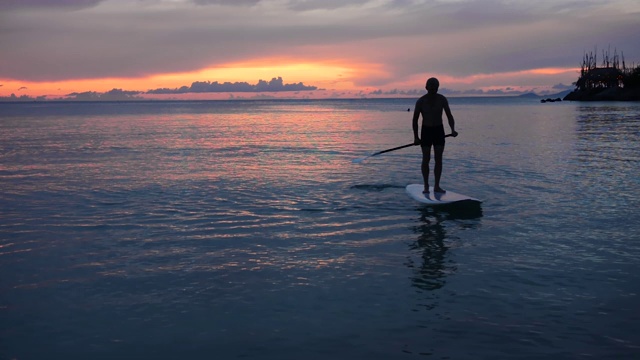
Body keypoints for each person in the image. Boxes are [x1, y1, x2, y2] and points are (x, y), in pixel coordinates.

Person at [412, 77, 458, 194]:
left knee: (438, 159)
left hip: (439, 131)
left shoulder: (442, 99)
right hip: (426, 131)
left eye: (435, 85)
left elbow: (449, 115)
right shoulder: (421, 101)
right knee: (426, 159)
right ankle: (426, 186)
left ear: (438, 87)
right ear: (426, 87)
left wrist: (452, 130)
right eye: (430, 85)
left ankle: (437, 186)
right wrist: (416, 137)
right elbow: (415, 120)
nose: (433, 87)